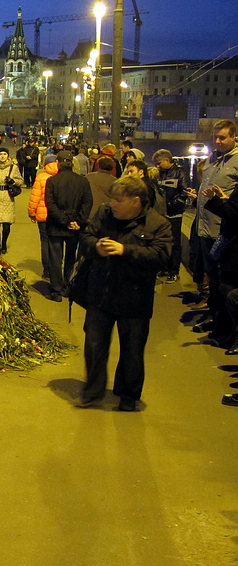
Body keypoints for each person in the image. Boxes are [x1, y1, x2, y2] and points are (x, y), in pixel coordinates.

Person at [74, 176, 172, 411]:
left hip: (135, 298)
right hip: (101, 293)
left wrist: (125, 250)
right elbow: (86, 237)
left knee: (132, 350)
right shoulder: (104, 214)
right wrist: (96, 247)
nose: (113, 204)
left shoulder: (157, 223)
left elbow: (162, 255)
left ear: (135, 201)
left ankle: (128, 395)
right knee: (95, 345)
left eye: (118, 200)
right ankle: (93, 390)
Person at [190, 120, 238, 345]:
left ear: (234, 137)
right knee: (212, 281)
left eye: (222, 138)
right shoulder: (212, 158)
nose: (217, 141)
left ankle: (224, 329)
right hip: (204, 229)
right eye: (215, 137)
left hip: (224, 233)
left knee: (222, 284)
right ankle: (216, 321)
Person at [44, 150, 92, 302]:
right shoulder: (83, 181)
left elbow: (50, 204)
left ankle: (56, 290)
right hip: (75, 228)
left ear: (58, 163)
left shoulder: (52, 181)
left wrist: (63, 220)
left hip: (56, 226)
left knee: (55, 258)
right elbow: (87, 202)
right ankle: (67, 287)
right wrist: (78, 221)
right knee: (71, 257)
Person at [201, 183, 238, 362]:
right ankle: (227, 331)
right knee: (226, 289)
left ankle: (229, 333)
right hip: (233, 250)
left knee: (227, 288)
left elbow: (233, 214)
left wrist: (215, 201)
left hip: (235, 251)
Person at [153, 149, 189, 282]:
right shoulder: (158, 173)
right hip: (161, 213)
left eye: (159, 162)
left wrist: (171, 204)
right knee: (162, 241)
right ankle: (164, 267)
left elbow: (185, 191)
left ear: (168, 161)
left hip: (174, 213)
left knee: (174, 242)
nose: (157, 166)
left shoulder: (180, 172)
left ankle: (174, 270)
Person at [28, 154, 59, 280]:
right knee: (56, 243)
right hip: (57, 215)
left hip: (42, 215)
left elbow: (34, 198)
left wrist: (32, 213)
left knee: (45, 242)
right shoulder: (60, 176)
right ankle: (56, 269)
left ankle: (46, 271)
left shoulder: (41, 177)